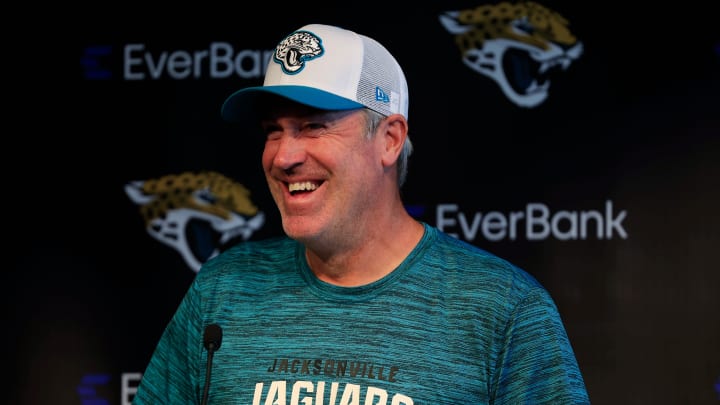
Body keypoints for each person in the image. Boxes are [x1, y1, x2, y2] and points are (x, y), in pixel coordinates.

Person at [132, 23, 590, 404]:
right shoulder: (222, 288)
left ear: (389, 139)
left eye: (313, 126)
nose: (283, 156)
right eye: (274, 130)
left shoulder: (501, 309)